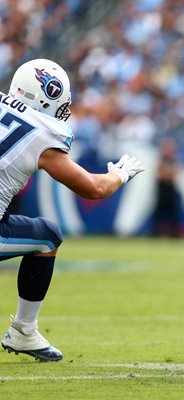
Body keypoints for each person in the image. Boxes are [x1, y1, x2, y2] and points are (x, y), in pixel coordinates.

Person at [0, 59, 144, 362]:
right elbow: (94, 188)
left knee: (42, 233)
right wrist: (120, 174)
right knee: (48, 237)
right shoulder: (41, 133)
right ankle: (24, 330)